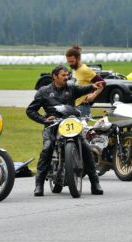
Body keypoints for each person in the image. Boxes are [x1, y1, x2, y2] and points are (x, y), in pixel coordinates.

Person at [26, 65, 105, 197]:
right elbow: (30, 110)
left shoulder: (71, 88)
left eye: (67, 75)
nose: (66, 77)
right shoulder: (43, 91)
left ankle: (95, 183)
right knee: (47, 148)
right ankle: (39, 184)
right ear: (55, 76)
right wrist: (44, 120)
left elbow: (83, 88)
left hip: (70, 123)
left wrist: (93, 86)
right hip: (52, 125)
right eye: (63, 75)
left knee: (86, 148)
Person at [65, 45, 105, 117]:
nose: (70, 64)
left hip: (82, 107)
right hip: (74, 105)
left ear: (78, 58)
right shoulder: (74, 69)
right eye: (68, 62)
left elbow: (103, 83)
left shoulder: (85, 70)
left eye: (72, 61)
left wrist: (93, 95)